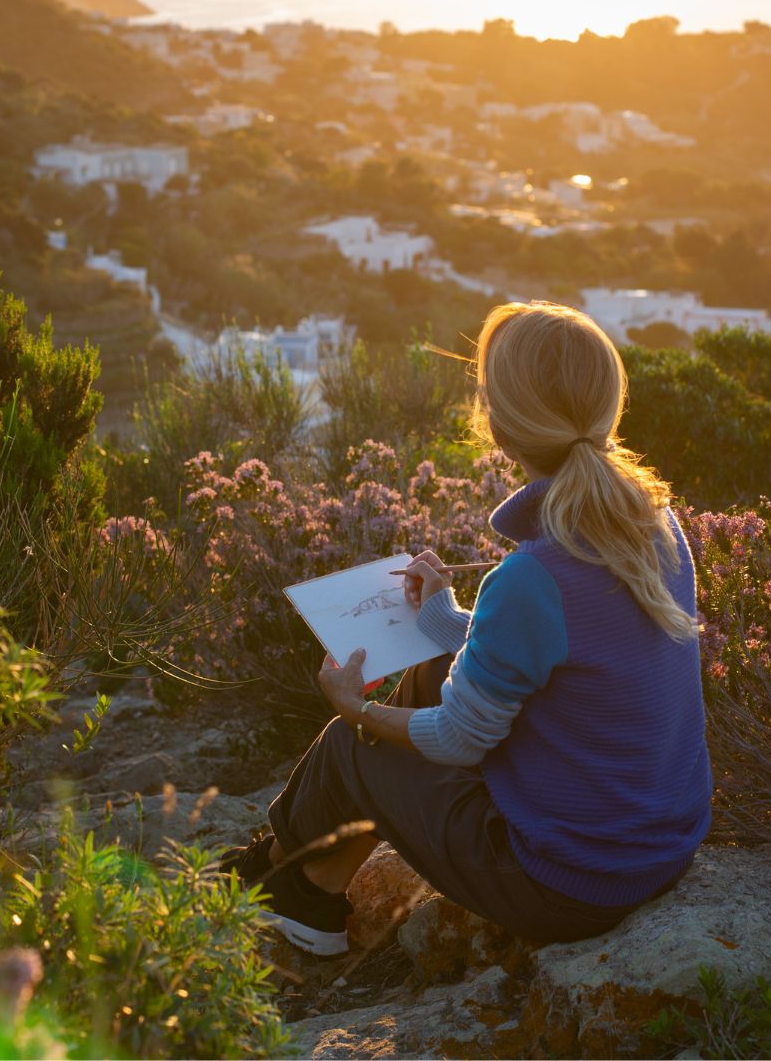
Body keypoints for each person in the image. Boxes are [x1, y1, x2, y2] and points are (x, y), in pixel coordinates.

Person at [222, 301, 712, 955]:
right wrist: (444, 619)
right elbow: (563, 655)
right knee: (431, 670)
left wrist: (355, 708)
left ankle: (288, 882)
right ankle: (306, 880)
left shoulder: (533, 576)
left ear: (500, 429)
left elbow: (457, 738)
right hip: (656, 847)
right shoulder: (653, 523)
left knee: (347, 744)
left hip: (567, 886)